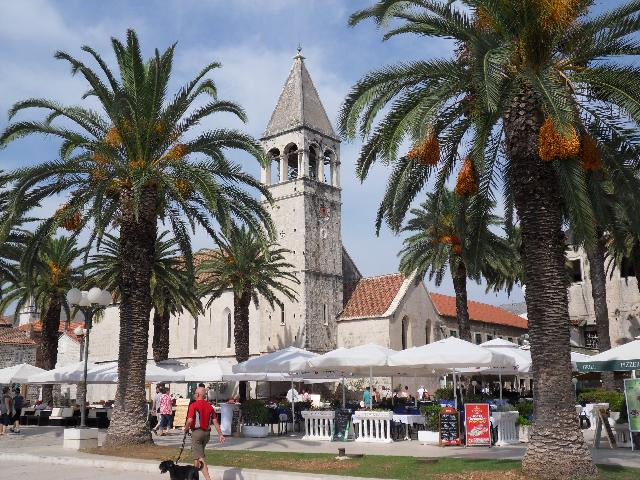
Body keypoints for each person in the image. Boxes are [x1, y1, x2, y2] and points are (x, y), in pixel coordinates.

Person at [184, 387, 224, 480]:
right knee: (196, 456)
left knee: (200, 458)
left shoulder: (193, 405)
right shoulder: (210, 406)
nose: (194, 394)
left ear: (198, 394)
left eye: (195, 393)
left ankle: (208, 479)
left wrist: (186, 429)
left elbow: (190, 420)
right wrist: (220, 434)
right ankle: (194, 477)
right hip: (207, 434)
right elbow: (215, 422)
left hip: (197, 433)